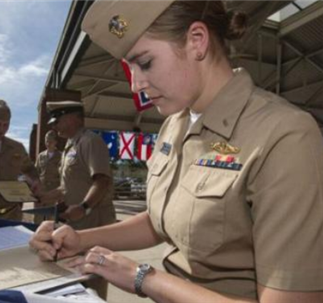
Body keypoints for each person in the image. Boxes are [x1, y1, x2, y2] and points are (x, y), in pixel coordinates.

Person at [30, 1, 323, 303]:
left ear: (197, 41)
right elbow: (162, 220)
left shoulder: (284, 136)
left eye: (144, 63)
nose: (135, 85)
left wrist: (144, 279)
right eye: (129, 68)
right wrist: (81, 239)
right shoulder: (174, 125)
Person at [40, 101, 116, 230]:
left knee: (93, 251)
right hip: (77, 220)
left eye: (57, 121)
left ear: (72, 118)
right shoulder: (70, 146)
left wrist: (83, 207)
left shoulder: (90, 141)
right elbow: (67, 187)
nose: (54, 126)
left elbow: (102, 181)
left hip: (95, 220)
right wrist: (43, 197)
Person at [33, 130, 62, 223]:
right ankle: (35, 234)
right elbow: (35, 172)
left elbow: (63, 176)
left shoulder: (61, 156)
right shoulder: (41, 156)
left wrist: (60, 194)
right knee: (37, 216)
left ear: (55, 142)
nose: (48, 143)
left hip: (53, 190)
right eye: (46, 141)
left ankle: (48, 236)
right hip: (40, 190)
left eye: (50, 141)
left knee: (50, 217)